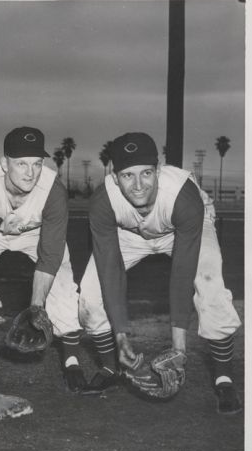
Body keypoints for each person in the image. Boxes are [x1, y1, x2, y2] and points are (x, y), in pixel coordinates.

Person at [78, 132, 243, 415]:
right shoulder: (103, 201)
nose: (139, 184)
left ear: (159, 169)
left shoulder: (182, 196)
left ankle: (224, 379)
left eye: (146, 173)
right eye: (128, 175)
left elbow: (182, 272)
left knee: (209, 284)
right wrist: (121, 336)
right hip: (128, 233)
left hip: (183, 227)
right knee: (90, 293)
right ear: (115, 177)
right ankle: (110, 366)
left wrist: (179, 347)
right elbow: (110, 268)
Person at [0, 127, 89, 392]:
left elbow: (50, 253)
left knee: (64, 285)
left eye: (36, 163)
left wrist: (36, 306)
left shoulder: (53, 189)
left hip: (36, 234)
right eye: (21, 163)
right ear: (4, 162)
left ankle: (71, 361)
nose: (30, 172)